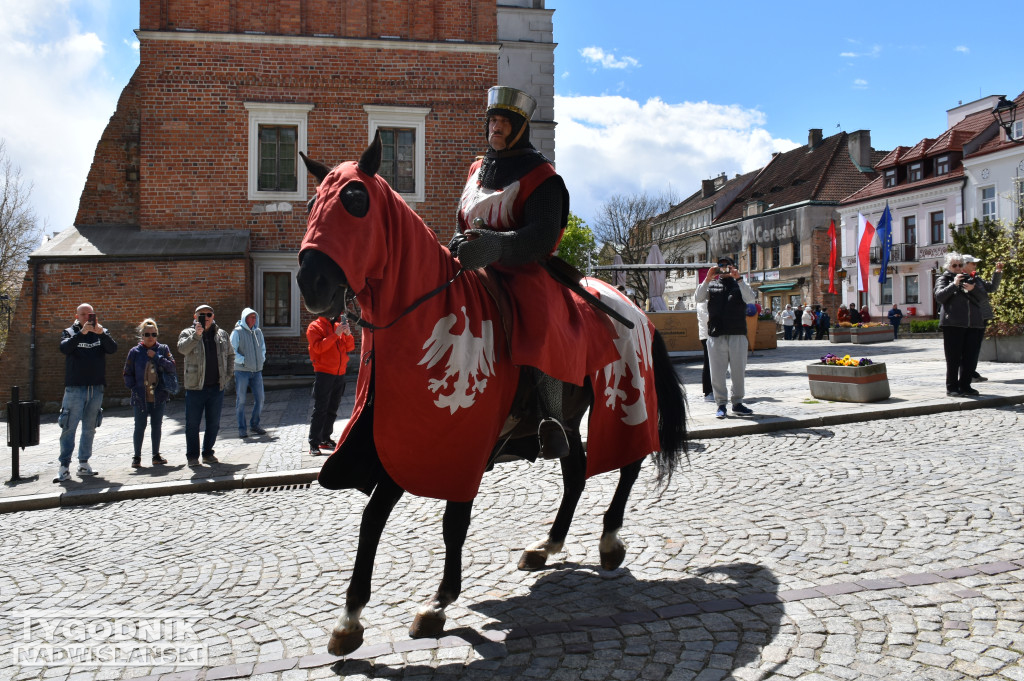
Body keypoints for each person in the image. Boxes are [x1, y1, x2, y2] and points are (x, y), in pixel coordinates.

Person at [447, 85, 613, 460]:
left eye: (505, 122)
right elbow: (461, 219)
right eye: (493, 121)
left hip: (522, 270)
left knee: (540, 320)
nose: (497, 128)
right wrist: (459, 243)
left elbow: (540, 237)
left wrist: (498, 245)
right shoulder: (477, 169)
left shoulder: (542, 176)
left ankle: (551, 416)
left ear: (520, 128)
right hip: (474, 265)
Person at [56, 303, 118, 482]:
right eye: (83, 315)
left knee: (90, 428)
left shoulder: (101, 332)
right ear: (76, 316)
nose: (86, 317)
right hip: (75, 387)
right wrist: (80, 333)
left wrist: (101, 334)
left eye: (89, 314)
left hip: (96, 387)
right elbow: (64, 349)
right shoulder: (69, 332)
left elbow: (112, 349)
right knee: (69, 427)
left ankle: (84, 463)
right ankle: (64, 466)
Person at [694, 256, 756, 419]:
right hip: (716, 334)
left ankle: (737, 402)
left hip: (737, 333)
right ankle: (721, 404)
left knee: (738, 371)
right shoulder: (711, 285)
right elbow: (698, 298)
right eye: (721, 265)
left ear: (733, 267)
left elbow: (750, 299)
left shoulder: (739, 285)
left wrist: (739, 279)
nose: (724, 268)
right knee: (717, 372)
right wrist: (707, 279)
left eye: (727, 265)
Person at [178, 304, 234, 467]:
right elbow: (182, 349)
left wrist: (227, 375)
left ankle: (208, 453)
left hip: (216, 387)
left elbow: (231, 354)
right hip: (195, 387)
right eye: (202, 315)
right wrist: (196, 335)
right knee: (192, 423)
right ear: (195, 317)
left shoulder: (221, 334)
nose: (206, 317)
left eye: (209, 314)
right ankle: (192, 456)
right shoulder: (187, 333)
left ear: (213, 316)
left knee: (214, 423)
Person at [123, 318, 175, 468]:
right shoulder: (135, 352)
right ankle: (137, 457)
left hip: (159, 395)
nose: (150, 337)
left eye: (153, 334)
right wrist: (133, 387)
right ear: (142, 336)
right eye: (147, 334)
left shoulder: (163, 349)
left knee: (156, 425)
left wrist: (157, 357)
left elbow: (171, 367)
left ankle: (155, 455)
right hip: (141, 396)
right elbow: (127, 372)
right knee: (139, 426)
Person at [934, 252, 984, 397]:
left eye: (960, 265)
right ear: (948, 266)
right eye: (954, 265)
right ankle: (952, 387)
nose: (957, 268)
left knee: (970, 358)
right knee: (953, 358)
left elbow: (983, 298)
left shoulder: (971, 279)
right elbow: (939, 296)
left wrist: (973, 289)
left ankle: (966, 386)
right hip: (953, 323)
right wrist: (954, 284)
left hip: (973, 324)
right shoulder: (943, 278)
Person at [307, 314, 356, 456]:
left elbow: (350, 347)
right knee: (320, 409)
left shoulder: (337, 326)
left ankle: (325, 438)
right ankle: (314, 443)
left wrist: (347, 334)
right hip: (324, 373)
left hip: (339, 373)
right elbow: (318, 348)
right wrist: (336, 335)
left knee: (333, 408)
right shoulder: (314, 327)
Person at [962, 254, 1003, 382]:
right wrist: (974, 289)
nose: (975, 265)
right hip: (971, 317)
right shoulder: (962, 279)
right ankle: (967, 374)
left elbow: (992, 288)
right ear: (965, 264)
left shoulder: (976, 277)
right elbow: (979, 297)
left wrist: (998, 272)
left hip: (982, 316)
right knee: (969, 348)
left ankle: (971, 372)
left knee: (976, 347)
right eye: (973, 263)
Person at [230, 307, 268, 439]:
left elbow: (263, 348)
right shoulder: (237, 332)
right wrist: (244, 361)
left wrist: (262, 359)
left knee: (260, 399)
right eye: (251, 317)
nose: (254, 319)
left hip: (257, 371)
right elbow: (232, 351)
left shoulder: (258, 332)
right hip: (242, 372)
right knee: (241, 401)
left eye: (255, 317)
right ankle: (242, 429)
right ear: (245, 318)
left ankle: (254, 424)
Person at [696, 300, 713, 401]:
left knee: (712, 363)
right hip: (707, 335)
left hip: (707, 334)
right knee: (708, 363)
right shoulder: (703, 300)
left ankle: (711, 389)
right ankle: (708, 391)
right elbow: (706, 317)